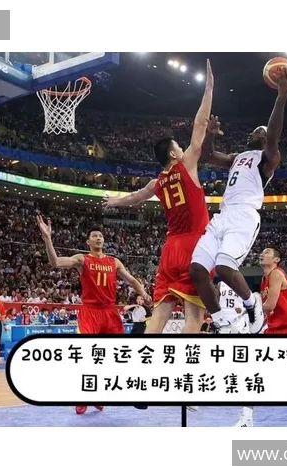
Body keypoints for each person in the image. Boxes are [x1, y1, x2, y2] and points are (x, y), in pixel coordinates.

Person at [102, 59, 215, 334]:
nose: (183, 148)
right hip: (194, 246)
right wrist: (210, 88)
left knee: (159, 316)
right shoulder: (186, 166)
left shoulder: (157, 183)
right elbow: (200, 125)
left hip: (169, 250)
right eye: (179, 146)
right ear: (174, 153)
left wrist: (114, 200)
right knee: (194, 319)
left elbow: (135, 198)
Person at [189, 66, 287, 335]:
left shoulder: (268, 158)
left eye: (258, 132)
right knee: (198, 270)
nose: (253, 133)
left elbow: (273, 134)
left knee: (224, 268)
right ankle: (222, 321)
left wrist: (281, 96)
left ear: (265, 137)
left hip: (245, 215)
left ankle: (252, 305)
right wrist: (211, 133)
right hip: (223, 214)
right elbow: (207, 156)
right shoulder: (238, 157)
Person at [37, 216, 151, 414]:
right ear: (88, 241)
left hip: (110, 312)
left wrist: (143, 292)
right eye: (94, 236)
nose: (98, 238)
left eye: (100, 236)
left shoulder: (114, 262)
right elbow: (55, 262)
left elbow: (132, 280)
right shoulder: (82, 259)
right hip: (90, 312)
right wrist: (48, 239)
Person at [234, 247, 287, 427]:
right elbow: (265, 309)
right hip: (273, 330)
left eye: (267, 252)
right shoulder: (264, 280)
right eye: (262, 252)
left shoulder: (276, 274)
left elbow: (270, 305)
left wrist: (248, 309)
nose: (262, 254)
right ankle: (247, 418)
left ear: (276, 259)